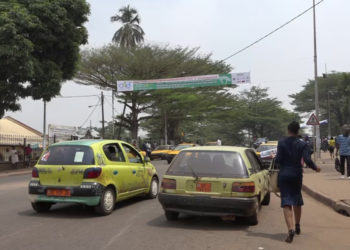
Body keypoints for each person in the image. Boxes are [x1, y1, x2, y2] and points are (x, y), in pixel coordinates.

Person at [275, 121, 320, 243]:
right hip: (296, 175)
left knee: (286, 202)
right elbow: (307, 160)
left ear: (288, 130)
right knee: (296, 199)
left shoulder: (281, 142)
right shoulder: (303, 144)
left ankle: (290, 230)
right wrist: (316, 168)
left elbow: (278, 159)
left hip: (284, 175)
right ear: (298, 131)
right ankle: (298, 225)